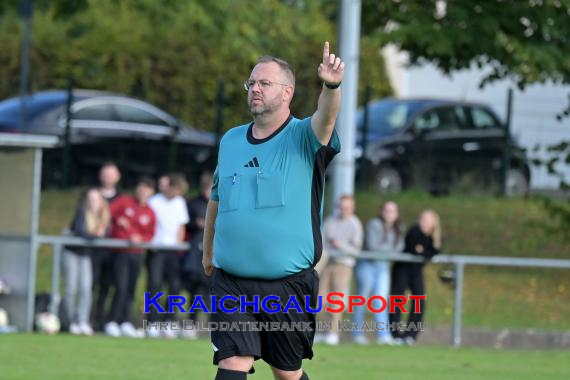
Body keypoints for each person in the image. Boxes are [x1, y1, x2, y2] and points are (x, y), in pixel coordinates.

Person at [202, 42, 344, 380]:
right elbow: (217, 199)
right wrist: (208, 252)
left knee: (287, 373)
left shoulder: (303, 137)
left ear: (287, 92)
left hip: (288, 285)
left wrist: (331, 85)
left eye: (264, 83)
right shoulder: (231, 140)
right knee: (232, 361)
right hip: (231, 281)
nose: (254, 89)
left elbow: (326, 117)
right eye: (251, 83)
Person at [105, 177, 157, 338]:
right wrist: (117, 220)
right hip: (120, 253)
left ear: (151, 192)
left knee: (131, 288)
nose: (143, 191)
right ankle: (112, 321)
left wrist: (141, 240)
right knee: (120, 286)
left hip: (137, 254)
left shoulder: (150, 212)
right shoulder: (124, 202)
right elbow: (106, 212)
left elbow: (150, 234)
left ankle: (125, 321)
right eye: (141, 187)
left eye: (147, 189)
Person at [352, 201, 404, 345]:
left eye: (392, 211)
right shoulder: (374, 225)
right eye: (387, 210)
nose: (389, 213)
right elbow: (372, 246)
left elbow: (399, 249)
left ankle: (383, 336)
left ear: (397, 214)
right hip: (367, 264)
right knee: (361, 299)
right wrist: (389, 251)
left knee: (380, 301)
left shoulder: (398, 228)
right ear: (382, 211)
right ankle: (357, 334)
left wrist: (385, 252)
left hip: (382, 266)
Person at [389, 209, 442, 346]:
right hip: (402, 269)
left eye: (426, 220)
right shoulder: (414, 231)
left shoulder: (434, 238)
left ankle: (411, 334)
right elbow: (413, 248)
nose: (422, 222)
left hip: (416, 270)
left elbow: (432, 252)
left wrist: (423, 251)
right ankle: (394, 334)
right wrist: (424, 251)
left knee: (419, 300)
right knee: (397, 300)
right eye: (422, 219)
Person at [316, 194, 363, 345]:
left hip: (344, 264)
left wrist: (340, 245)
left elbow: (356, 249)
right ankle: (322, 331)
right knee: (320, 298)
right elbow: (322, 240)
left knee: (336, 299)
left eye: (347, 207)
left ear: (352, 207)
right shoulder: (331, 221)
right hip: (328, 262)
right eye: (341, 207)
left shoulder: (355, 224)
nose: (343, 210)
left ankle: (333, 333)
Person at [147, 173, 190, 338]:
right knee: (155, 285)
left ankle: (169, 321)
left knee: (174, 286)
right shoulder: (154, 201)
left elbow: (181, 225)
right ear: (169, 186)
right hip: (157, 250)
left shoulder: (180, 202)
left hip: (173, 251)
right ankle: (152, 322)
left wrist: (177, 245)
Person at [64, 188, 110, 336]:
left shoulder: (104, 216)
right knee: (71, 287)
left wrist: (98, 235)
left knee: (86, 288)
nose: (92, 202)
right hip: (71, 252)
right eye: (90, 199)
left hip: (85, 255)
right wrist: (95, 235)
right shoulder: (81, 213)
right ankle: (69, 321)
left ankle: (82, 321)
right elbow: (80, 231)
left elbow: (107, 233)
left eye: (96, 199)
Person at [181, 172, 213, 339]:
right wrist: (196, 223)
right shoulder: (193, 204)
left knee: (212, 293)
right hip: (196, 256)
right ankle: (190, 323)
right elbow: (185, 224)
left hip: (214, 255)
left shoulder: (223, 204)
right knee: (195, 292)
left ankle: (211, 324)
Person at [91, 162, 122, 331]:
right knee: (91, 285)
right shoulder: (92, 195)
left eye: (112, 174)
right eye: (106, 174)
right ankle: (88, 319)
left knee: (107, 286)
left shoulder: (122, 199)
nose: (108, 177)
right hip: (94, 249)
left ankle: (103, 321)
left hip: (113, 250)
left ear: (117, 177)